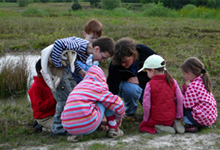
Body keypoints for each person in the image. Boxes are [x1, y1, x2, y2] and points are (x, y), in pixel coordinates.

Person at [50, 36, 115, 137]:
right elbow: (58, 43)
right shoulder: (80, 46)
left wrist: (79, 71)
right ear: (97, 49)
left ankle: (69, 125)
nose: (102, 61)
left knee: (71, 96)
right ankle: (58, 129)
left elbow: (70, 57)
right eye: (103, 57)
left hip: (67, 70)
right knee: (64, 99)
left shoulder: (86, 52)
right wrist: (58, 65)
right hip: (57, 71)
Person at [61, 66, 125, 141]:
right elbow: (118, 103)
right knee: (106, 101)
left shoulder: (78, 87)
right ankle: (114, 130)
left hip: (68, 126)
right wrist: (119, 117)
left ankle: (74, 135)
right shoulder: (98, 86)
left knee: (76, 106)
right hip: (88, 124)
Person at [107, 37, 156, 117]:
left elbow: (160, 71)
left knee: (153, 112)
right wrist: (111, 109)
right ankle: (129, 111)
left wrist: (140, 80)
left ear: (133, 55)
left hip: (149, 84)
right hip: (128, 86)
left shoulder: (145, 52)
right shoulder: (115, 64)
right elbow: (112, 87)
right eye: (120, 62)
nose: (123, 64)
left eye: (126, 61)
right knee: (131, 89)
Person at [138, 55, 184, 134]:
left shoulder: (149, 84)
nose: (147, 74)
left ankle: (159, 129)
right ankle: (174, 124)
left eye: (147, 71)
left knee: (142, 127)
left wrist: (146, 118)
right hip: (170, 119)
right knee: (169, 119)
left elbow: (146, 104)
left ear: (152, 71)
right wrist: (178, 116)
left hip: (156, 119)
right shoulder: (173, 81)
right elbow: (180, 99)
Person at [181, 57, 218, 133]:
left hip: (201, 120)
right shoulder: (203, 82)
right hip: (209, 120)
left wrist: (187, 88)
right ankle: (194, 124)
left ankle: (190, 125)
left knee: (179, 102)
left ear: (190, 74)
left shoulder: (193, 86)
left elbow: (186, 105)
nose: (184, 77)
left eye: (185, 74)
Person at [28, 59, 57, 132]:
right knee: (62, 127)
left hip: (54, 114)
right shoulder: (35, 88)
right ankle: (42, 128)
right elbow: (40, 107)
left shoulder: (49, 82)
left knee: (71, 122)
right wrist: (56, 98)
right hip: (45, 118)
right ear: (39, 72)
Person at [72, 19, 102, 83]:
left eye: (97, 38)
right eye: (92, 38)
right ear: (85, 34)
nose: (94, 40)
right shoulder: (79, 46)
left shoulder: (96, 49)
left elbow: (97, 64)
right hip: (80, 76)